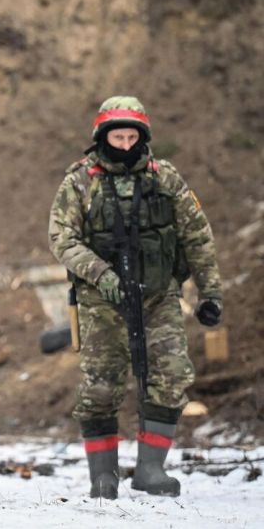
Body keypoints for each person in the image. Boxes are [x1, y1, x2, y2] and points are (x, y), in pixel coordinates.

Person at [49, 96, 223, 498]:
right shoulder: (79, 181)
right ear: (102, 136)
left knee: (170, 376)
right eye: (117, 136)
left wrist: (210, 293)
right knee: (100, 385)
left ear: (142, 137)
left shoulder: (165, 179)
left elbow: (198, 238)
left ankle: (150, 469)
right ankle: (102, 475)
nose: (125, 144)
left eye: (132, 136)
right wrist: (99, 273)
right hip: (101, 300)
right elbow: (62, 239)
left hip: (158, 295)